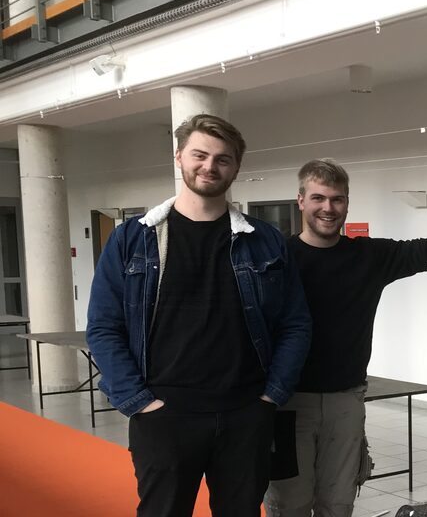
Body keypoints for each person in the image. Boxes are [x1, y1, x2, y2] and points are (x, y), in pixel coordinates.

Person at [87, 114, 311, 517]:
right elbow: (104, 328)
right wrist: (140, 404)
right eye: (200, 155)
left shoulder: (265, 241)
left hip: (246, 414)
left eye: (223, 159)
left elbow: (295, 323)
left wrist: (269, 396)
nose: (210, 166)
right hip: (164, 416)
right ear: (179, 157)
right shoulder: (132, 238)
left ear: (236, 167)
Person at [264, 159, 427, 517]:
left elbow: (414, 250)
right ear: (301, 200)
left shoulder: (365, 256)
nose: (328, 208)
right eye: (319, 198)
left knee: (338, 504)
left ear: (347, 203)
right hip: (287, 402)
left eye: (337, 199)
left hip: (346, 401)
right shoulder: (278, 259)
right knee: (288, 505)